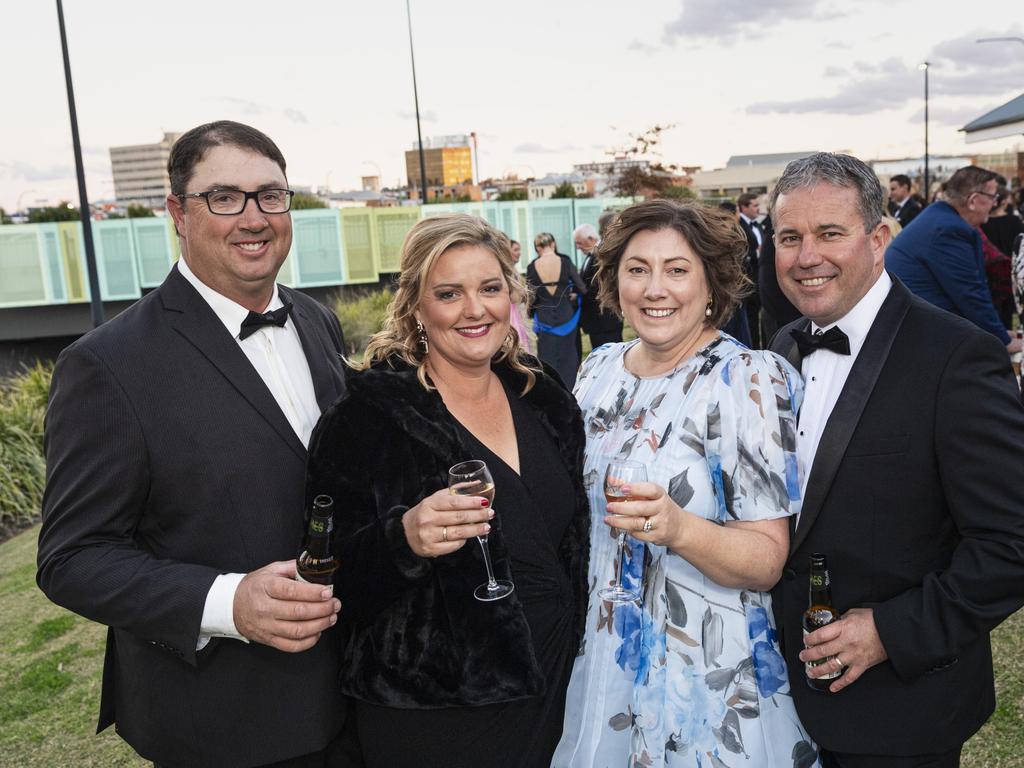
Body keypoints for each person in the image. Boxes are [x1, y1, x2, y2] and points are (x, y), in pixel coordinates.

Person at [36, 121, 354, 768]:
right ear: (178, 212)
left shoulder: (317, 320)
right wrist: (226, 602)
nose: (254, 217)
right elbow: (72, 557)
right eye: (225, 197)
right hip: (224, 725)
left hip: (352, 693)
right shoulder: (108, 364)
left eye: (271, 195)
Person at [304, 213, 591, 768]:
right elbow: (325, 571)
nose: (475, 309)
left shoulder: (545, 397)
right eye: (449, 293)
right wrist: (403, 537)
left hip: (561, 687)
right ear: (416, 306)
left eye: (490, 288)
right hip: (437, 716)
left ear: (512, 294)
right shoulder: (365, 417)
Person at [768, 152, 1024, 767]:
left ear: (879, 238)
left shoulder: (958, 358)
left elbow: (1011, 543)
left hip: (901, 714)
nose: (807, 257)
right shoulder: (781, 349)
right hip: (782, 701)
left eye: (830, 233)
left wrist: (889, 631)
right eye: (789, 238)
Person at [553, 199, 816, 768]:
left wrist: (678, 527)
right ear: (614, 276)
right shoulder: (598, 371)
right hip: (599, 653)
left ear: (710, 283)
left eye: (676, 269)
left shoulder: (746, 380)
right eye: (637, 268)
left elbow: (767, 558)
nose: (655, 288)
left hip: (700, 667)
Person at [886, 165, 1021, 354]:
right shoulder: (949, 229)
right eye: (992, 197)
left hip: (916, 326)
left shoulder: (940, 217)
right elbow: (970, 293)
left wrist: (998, 331)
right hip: (921, 337)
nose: (994, 203)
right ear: (973, 201)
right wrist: (1003, 340)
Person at [526, 231, 587, 388]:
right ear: (552, 244)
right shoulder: (565, 262)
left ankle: (552, 393)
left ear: (538, 248)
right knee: (569, 358)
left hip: (544, 318)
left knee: (547, 359)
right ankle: (571, 392)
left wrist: (531, 313)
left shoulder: (532, 266)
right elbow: (582, 288)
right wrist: (571, 295)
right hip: (566, 317)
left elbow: (530, 296)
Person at [574, 223, 624, 349]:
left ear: (591, 239)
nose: (578, 247)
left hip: (605, 321)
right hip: (597, 323)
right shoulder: (591, 255)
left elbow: (598, 287)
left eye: (579, 243)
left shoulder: (602, 254)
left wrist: (578, 294)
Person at [737, 192, 764, 347]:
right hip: (747, 282)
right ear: (744, 207)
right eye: (755, 205)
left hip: (760, 280)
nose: (758, 209)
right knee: (750, 321)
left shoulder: (758, 225)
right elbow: (741, 252)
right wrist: (758, 252)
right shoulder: (739, 226)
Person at [508, 239, 534, 354]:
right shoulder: (508, 271)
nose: (519, 253)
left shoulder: (514, 270)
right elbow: (513, 296)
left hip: (518, 314)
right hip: (512, 317)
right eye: (516, 250)